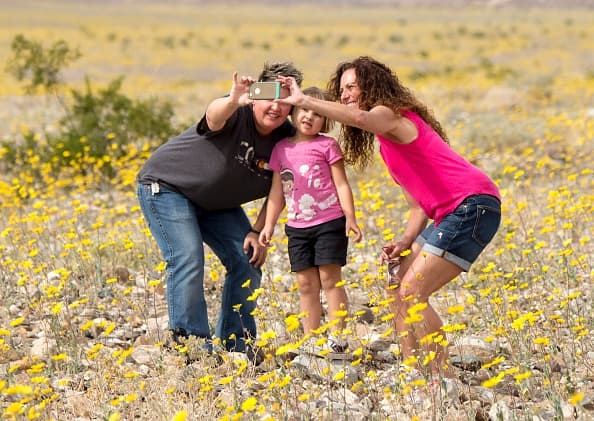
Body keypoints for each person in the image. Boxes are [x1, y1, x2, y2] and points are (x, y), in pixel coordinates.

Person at [278, 56, 501, 380]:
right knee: (396, 288)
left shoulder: (390, 115)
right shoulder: (387, 145)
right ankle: (414, 370)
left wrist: (303, 100)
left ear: (371, 86)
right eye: (341, 91)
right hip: (451, 214)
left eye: (351, 87)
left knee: (413, 292)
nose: (345, 95)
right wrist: (405, 242)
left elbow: (359, 117)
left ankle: (443, 378)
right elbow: (417, 207)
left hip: (472, 206)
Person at [136, 62, 303, 362]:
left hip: (216, 204)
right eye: (270, 95)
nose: (276, 106)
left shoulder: (287, 140)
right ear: (256, 94)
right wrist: (232, 98)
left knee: (247, 259)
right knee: (187, 256)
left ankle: (236, 342)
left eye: (285, 99)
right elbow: (213, 117)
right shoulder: (236, 112)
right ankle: (192, 347)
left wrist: (257, 230)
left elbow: (280, 189)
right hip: (168, 188)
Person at [258, 87, 363, 358]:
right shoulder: (281, 149)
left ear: (325, 121)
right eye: (305, 110)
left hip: (329, 222)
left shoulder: (327, 145)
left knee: (330, 279)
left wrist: (350, 217)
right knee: (306, 285)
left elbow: (341, 184)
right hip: (297, 228)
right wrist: (268, 225)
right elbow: (277, 192)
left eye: (318, 114)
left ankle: (337, 338)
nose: (309, 117)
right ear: (294, 111)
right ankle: (311, 339)